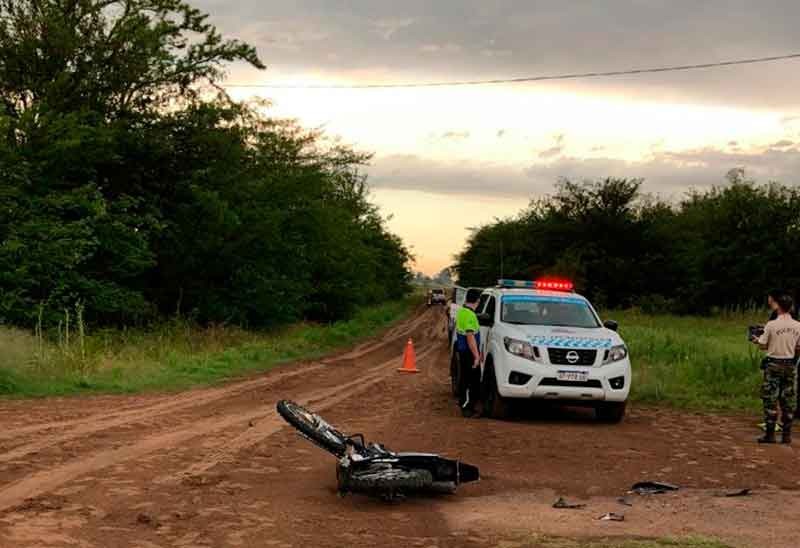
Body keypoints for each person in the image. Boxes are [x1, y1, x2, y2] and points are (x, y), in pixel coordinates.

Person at [751, 290, 800, 444]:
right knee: (788, 399)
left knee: (770, 399)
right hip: (790, 365)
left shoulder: (771, 325)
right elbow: (799, 347)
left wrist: (756, 339)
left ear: (778, 306)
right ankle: (786, 435)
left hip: (773, 364)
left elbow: (763, 345)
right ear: (791, 307)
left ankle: (770, 435)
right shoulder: (798, 325)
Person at [455, 288, 483, 417]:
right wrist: (477, 356)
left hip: (463, 351)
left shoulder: (462, 312)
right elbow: (470, 336)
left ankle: (467, 405)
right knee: (471, 381)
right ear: (477, 300)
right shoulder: (470, 315)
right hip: (468, 353)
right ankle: (467, 407)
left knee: (466, 379)